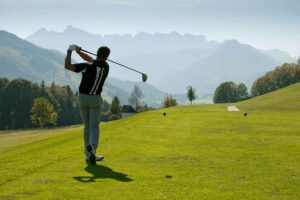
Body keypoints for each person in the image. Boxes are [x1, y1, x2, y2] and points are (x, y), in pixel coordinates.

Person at [65, 45, 110, 165]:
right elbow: (91, 59)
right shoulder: (106, 66)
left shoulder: (86, 66)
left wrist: (70, 52)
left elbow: (68, 66)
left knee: (87, 126)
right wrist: (80, 53)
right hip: (95, 99)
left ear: (97, 53)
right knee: (94, 126)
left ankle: (88, 154)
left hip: (83, 98)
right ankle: (93, 150)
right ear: (107, 56)